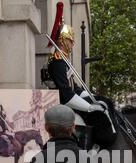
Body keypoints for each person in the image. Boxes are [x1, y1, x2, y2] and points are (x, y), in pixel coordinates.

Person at [44, 2, 116, 148]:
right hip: (63, 104)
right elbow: (65, 94)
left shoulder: (63, 60)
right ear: (63, 40)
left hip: (69, 98)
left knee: (104, 102)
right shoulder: (57, 62)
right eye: (71, 40)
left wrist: (94, 97)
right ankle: (95, 148)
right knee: (97, 115)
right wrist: (90, 107)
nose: (73, 43)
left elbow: (75, 88)